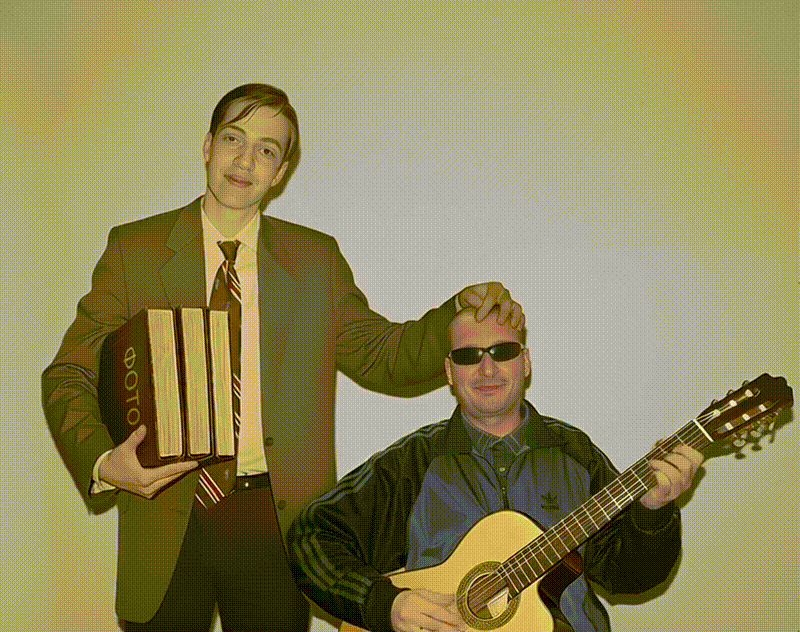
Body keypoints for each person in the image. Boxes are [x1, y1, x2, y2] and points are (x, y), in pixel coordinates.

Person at [41, 83, 524, 632]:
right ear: (207, 145)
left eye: (267, 149)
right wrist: (104, 463)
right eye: (234, 139)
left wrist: (459, 310)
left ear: (281, 171)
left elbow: (382, 354)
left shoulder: (315, 259)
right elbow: (69, 373)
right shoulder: (136, 250)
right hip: (163, 511)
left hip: (275, 521)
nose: (245, 160)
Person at [288, 307, 704, 632]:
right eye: (468, 356)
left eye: (503, 352)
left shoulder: (576, 454)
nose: (487, 369)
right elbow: (310, 536)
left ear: (525, 362)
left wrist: (653, 513)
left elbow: (632, 576)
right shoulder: (414, 463)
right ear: (449, 372)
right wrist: (385, 604)